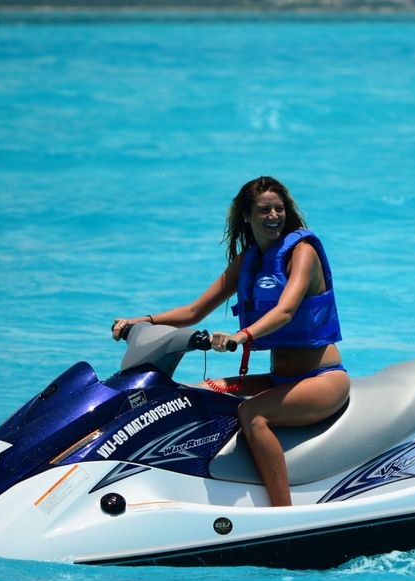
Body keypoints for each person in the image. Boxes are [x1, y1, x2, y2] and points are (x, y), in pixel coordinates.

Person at [111, 177, 350, 506]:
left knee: (253, 414)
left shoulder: (302, 253)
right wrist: (144, 321)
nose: (274, 216)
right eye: (264, 210)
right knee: (189, 394)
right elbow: (194, 311)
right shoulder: (247, 262)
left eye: (279, 209)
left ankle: (283, 513)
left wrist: (242, 336)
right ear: (247, 217)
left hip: (322, 380)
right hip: (279, 379)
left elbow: (285, 310)